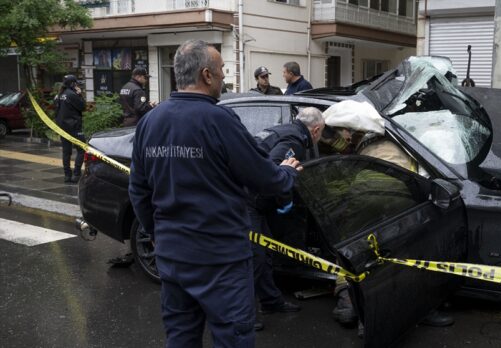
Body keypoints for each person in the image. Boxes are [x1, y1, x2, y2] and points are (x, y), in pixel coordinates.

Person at [128, 39, 303, 348]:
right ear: (207, 75)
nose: (225, 76)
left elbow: (138, 191)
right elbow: (264, 178)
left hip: (173, 257)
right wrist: (288, 172)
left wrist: (157, 233)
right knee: (233, 338)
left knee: (181, 338)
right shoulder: (219, 120)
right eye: (222, 69)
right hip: (221, 262)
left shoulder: (150, 122)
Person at [319, 101, 454, 335]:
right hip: (396, 198)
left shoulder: (360, 143)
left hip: (361, 196)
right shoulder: (407, 141)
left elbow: (340, 157)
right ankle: (398, 313)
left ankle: (347, 303)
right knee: (403, 254)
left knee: (354, 250)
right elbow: (422, 177)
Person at [250, 107, 325, 318]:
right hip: (247, 200)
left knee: (263, 254)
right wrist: (285, 201)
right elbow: (274, 171)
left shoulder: (288, 129)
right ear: (316, 130)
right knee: (254, 258)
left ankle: (270, 301)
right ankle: (245, 315)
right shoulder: (296, 142)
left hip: (252, 197)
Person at [54, 75, 86, 184]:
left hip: (62, 127)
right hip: (74, 127)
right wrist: (80, 94)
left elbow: (56, 111)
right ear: (73, 84)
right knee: (82, 149)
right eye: (75, 83)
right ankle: (76, 174)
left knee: (66, 152)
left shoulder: (59, 95)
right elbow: (82, 107)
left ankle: (67, 175)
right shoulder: (72, 94)